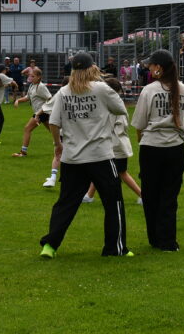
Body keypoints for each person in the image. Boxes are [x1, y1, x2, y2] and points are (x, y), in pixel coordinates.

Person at [39, 52, 130, 258]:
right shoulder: (101, 88)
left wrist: (57, 144)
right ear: (92, 68)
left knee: (66, 203)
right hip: (100, 156)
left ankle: (50, 245)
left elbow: (53, 122)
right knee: (113, 201)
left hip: (72, 157)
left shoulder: (64, 91)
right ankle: (114, 248)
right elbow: (121, 109)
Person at [131, 49, 184, 252]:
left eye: (152, 65)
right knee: (169, 195)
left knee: (151, 194)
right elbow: (183, 120)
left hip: (151, 147)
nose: (149, 67)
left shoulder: (150, 90)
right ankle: (168, 241)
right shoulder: (183, 89)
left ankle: (155, 238)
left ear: (159, 68)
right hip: (175, 147)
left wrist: (142, 141)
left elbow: (139, 122)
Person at [84, 77, 144, 204]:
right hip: (111, 144)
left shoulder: (116, 105)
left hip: (116, 145)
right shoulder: (111, 103)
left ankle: (142, 195)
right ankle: (89, 195)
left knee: (122, 173)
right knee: (99, 169)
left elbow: (119, 128)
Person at [13, 67, 53, 158]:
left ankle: (23, 152)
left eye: (33, 76)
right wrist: (18, 100)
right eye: (30, 76)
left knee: (27, 129)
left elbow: (50, 98)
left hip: (42, 113)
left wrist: (42, 111)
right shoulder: (32, 85)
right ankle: (68, 145)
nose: (31, 78)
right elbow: (28, 97)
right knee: (55, 132)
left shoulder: (41, 87)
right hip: (40, 113)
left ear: (39, 77)